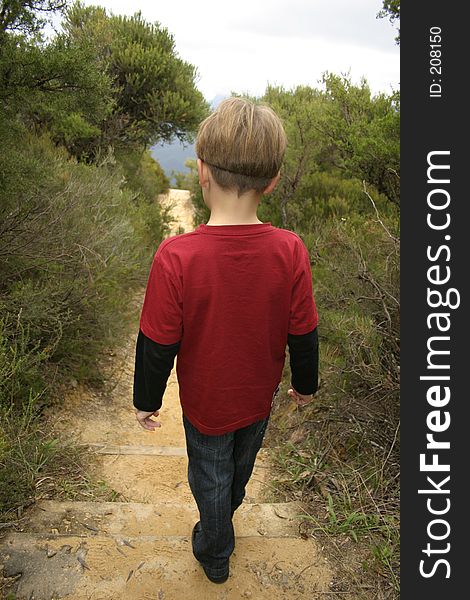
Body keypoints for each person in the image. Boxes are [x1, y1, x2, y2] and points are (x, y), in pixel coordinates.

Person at [133, 97, 319, 584]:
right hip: (259, 398)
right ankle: (223, 522)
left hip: (205, 404)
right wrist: (306, 384)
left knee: (209, 476)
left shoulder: (177, 256)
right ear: (273, 181)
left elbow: (157, 343)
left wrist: (145, 401)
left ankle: (214, 547)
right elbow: (303, 329)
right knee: (238, 469)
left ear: (201, 173)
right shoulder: (290, 250)